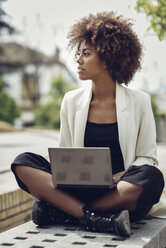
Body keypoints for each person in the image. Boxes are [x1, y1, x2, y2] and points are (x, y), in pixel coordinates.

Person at [11, 11, 164, 237]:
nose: (78, 60)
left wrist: (119, 176)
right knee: (23, 162)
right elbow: (64, 155)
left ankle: (66, 213)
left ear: (107, 58)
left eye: (86, 53)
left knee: (152, 176)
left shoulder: (139, 101)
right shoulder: (71, 101)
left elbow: (147, 157)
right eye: (78, 53)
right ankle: (93, 218)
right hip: (81, 187)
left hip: (121, 191)